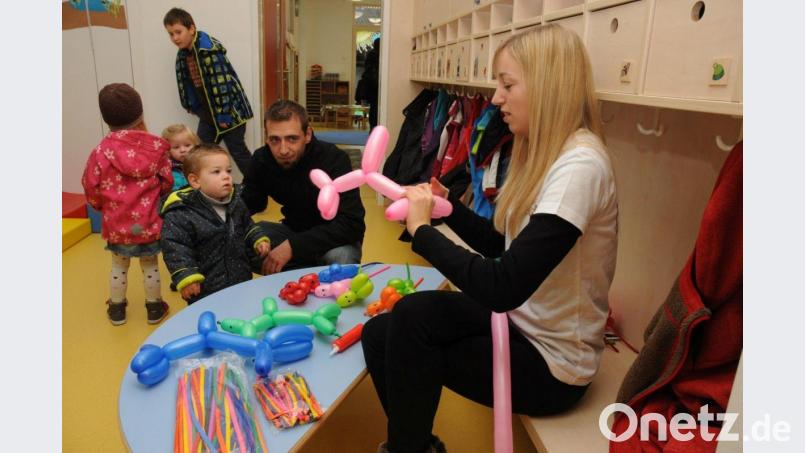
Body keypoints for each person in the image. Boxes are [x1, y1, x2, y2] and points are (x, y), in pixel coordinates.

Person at [362, 24, 618, 453]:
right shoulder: (550, 153)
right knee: (383, 333)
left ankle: (409, 448)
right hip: (523, 323)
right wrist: (451, 208)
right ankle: (417, 445)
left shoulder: (580, 168)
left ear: (546, 86)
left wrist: (422, 231)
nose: (495, 97)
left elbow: (502, 288)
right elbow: (506, 248)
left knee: (409, 341)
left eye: (507, 84)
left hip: (553, 365)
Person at [82, 83, 174, 326]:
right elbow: (167, 181)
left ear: (106, 118)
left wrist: (103, 208)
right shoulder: (155, 149)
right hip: (148, 221)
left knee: (118, 265)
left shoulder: (101, 151)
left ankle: (117, 309)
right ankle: (154, 308)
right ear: (140, 114)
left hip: (117, 223)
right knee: (150, 264)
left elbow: (90, 185)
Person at [241, 100, 366, 274]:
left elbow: (352, 224)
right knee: (241, 241)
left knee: (341, 260)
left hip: (335, 240)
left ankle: (304, 271)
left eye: (292, 139)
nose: (283, 150)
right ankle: (311, 274)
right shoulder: (262, 159)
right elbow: (251, 203)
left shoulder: (334, 159)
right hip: (292, 230)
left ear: (307, 134)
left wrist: (292, 248)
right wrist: (217, 199)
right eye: (274, 140)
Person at [159, 144, 271, 305]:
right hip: (205, 288)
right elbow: (176, 248)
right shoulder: (180, 212)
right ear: (195, 180)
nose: (226, 176)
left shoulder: (235, 201)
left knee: (241, 311)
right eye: (216, 172)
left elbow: (246, 224)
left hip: (239, 277)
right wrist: (186, 276)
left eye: (228, 171)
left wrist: (257, 238)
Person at [163, 7, 254, 175]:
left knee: (238, 151)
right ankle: (201, 188)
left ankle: (257, 186)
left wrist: (224, 114)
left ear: (191, 29)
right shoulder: (183, 54)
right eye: (171, 34)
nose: (175, 38)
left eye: (178, 32)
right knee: (199, 153)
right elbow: (185, 82)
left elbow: (222, 83)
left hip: (229, 113)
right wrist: (189, 104)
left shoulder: (208, 50)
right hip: (207, 113)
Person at [161, 124, 200, 191]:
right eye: (176, 147)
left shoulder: (202, 162)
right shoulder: (169, 170)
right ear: (168, 151)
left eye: (187, 145)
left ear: (195, 145)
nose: (182, 150)